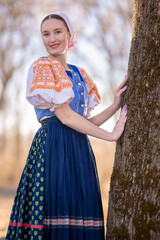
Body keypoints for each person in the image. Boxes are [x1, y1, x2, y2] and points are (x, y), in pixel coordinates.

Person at [5, 12, 128, 240]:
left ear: (69, 35)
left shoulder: (80, 74)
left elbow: (82, 122)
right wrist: (111, 135)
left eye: (58, 31)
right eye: (46, 33)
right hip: (53, 147)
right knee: (56, 206)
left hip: (79, 148)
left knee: (80, 206)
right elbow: (66, 117)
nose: (52, 38)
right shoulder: (42, 68)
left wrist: (114, 107)